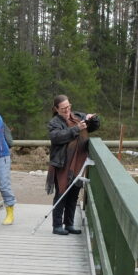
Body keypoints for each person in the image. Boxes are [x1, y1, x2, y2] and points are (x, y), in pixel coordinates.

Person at [46, 94, 98, 236]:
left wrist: (92, 120)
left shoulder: (77, 116)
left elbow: (92, 128)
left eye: (68, 106)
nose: (67, 110)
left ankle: (69, 224)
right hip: (62, 163)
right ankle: (57, 226)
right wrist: (76, 129)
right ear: (56, 109)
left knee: (74, 194)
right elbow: (57, 137)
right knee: (62, 193)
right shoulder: (54, 122)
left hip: (78, 162)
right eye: (63, 108)